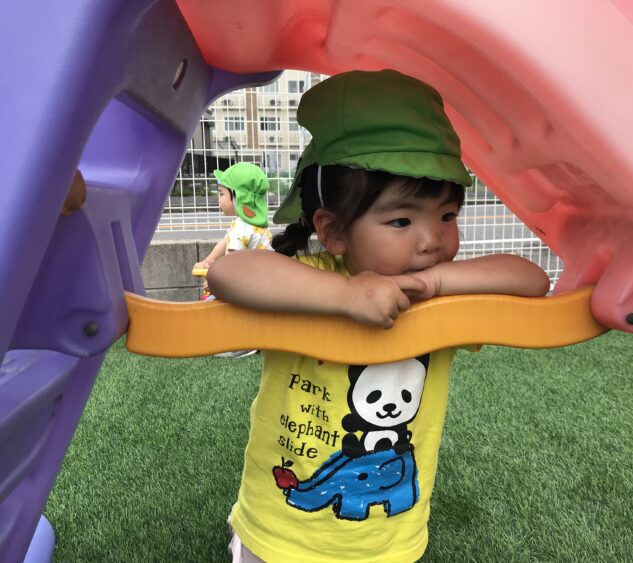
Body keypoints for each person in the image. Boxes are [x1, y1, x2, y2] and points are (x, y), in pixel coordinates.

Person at [208, 69, 550, 563]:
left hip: (388, 541)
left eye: (447, 216)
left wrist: (437, 284)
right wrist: (345, 294)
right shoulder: (310, 278)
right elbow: (228, 273)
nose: (432, 240)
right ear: (333, 231)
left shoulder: (439, 294)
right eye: (401, 220)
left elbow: (531, 279)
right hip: (278, 532)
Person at [193, 161, 273, 296]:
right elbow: (225, 242)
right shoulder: (256, 224)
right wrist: (206, 262)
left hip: (247, 293)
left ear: (239, 196)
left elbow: (231, 265)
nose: (219, 199)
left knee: (209, 299)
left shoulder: (240, 228)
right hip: (263, 287)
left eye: (221, 194)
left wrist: (215, 280)